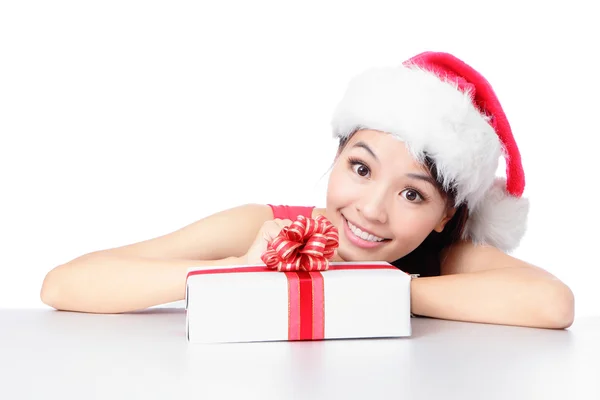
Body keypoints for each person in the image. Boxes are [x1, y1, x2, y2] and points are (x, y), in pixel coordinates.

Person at [40, 51, 574, 329]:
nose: (370, 208)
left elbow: (552, 303)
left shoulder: (441, 257)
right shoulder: (261, 224)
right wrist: (230, 270)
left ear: (442, 216)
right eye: (361, 169)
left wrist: (368, 289)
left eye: (413, 194)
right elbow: (64, 286)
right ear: (336, 159)